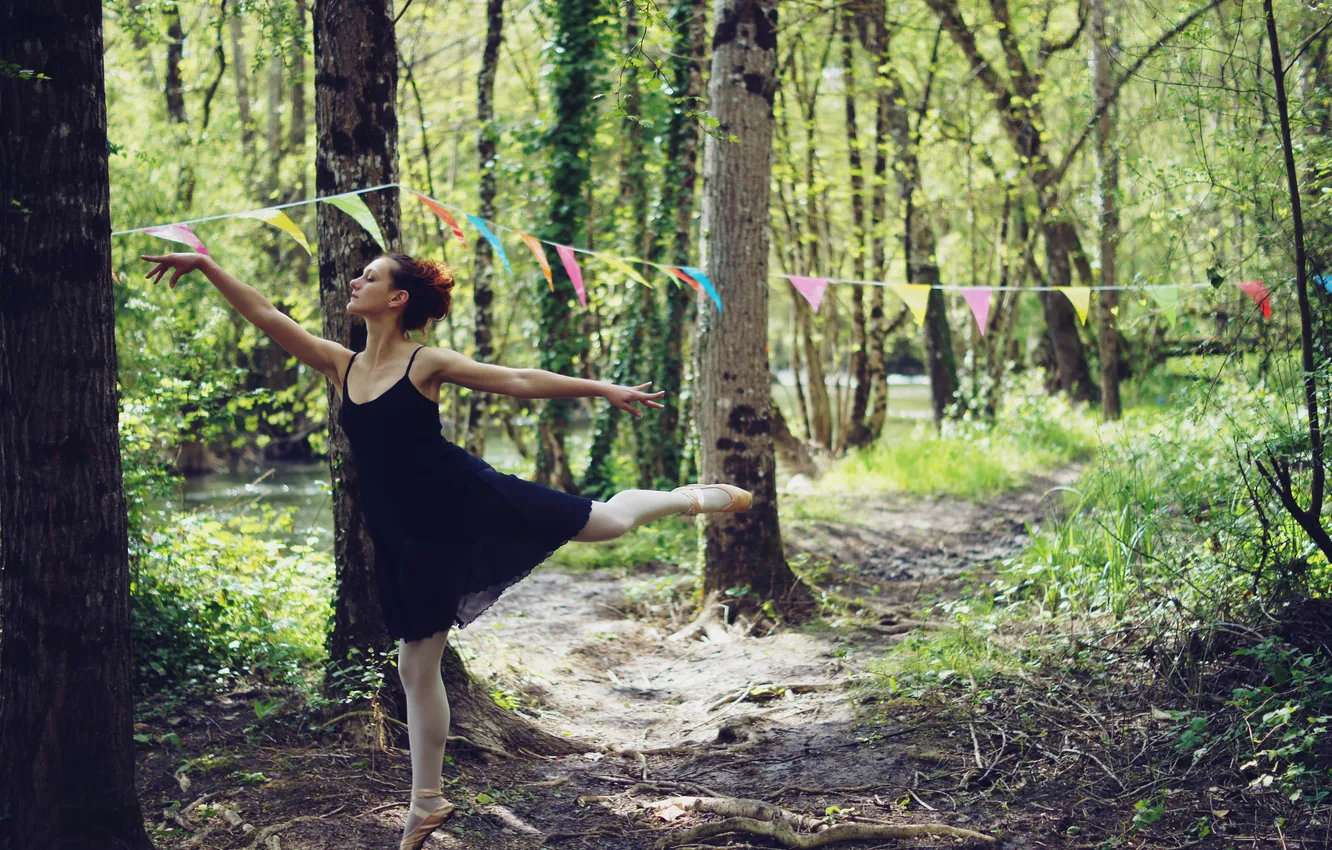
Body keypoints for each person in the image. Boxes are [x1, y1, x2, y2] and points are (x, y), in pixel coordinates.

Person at [141, 251, 751, 849]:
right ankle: (427, 802)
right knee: (414, 667)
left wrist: (601, 388)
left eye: (370, 277)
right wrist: (208, 265)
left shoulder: (425, 363)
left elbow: (515, 380)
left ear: (397, 299)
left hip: (466, 496)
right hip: (406, 534)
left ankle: (690, 498)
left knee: (607, 523)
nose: (356, 281)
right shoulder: (341, 365)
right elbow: (269, 317)